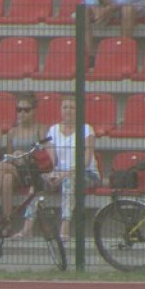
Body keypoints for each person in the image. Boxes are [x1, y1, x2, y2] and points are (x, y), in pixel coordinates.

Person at [0, 93, 47, 233]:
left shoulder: (40, 129)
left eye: (26, 110)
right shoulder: (12, 132)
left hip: (32, 171)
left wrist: (26, 156)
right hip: (15, 170)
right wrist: (15, 157)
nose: (22, 113)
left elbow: (44, 154)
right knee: (6, 179)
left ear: (34, 111)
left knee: (1, 167)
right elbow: (8, 155)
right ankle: (7, 222)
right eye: (19, 110)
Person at [45, 95, 100, 241]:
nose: (68, 110)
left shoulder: (87, 129)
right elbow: (51, 161)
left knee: (69, 180)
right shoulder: (53, 130)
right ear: (60, 110)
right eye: (65, 107)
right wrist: (52, 175)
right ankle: (27, 226)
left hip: (86, 174)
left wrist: (63, 175)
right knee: (38, 181)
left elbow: (86, 161)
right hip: (60, 173)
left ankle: (65, 224)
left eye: (72, 107)